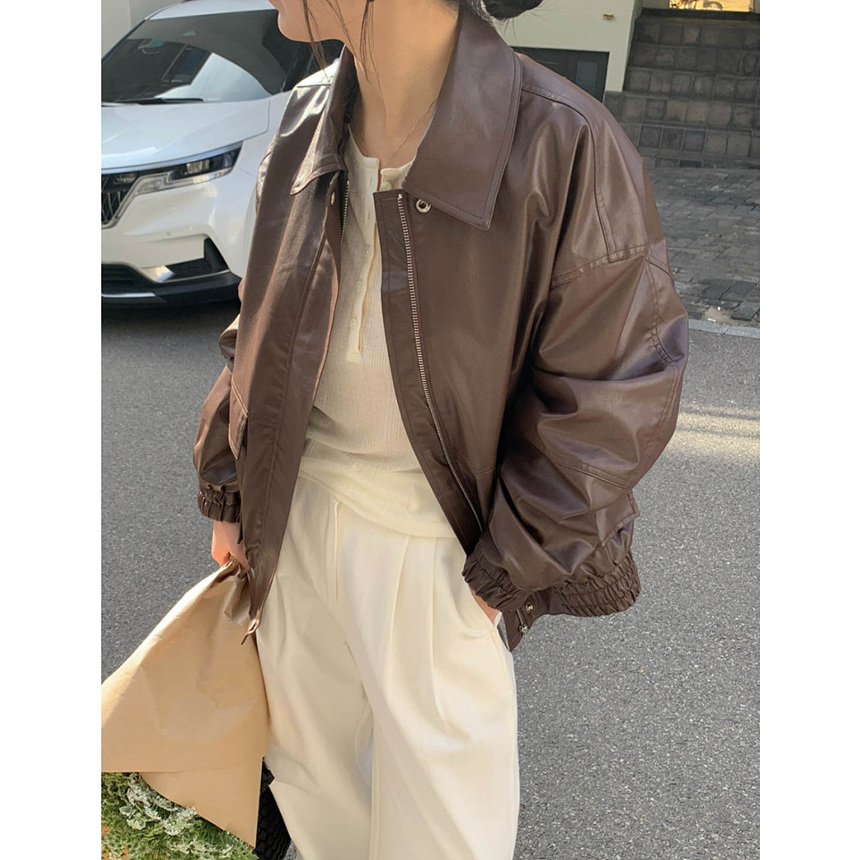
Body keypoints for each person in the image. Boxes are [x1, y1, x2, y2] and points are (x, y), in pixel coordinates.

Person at [192, 0, 690, 858]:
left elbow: (616, 384)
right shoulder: (309, 113)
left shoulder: (561, 138)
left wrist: (502, 569)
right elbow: (261, 318)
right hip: (296, 522)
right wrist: (229, 486)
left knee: (443, 830)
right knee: (316, 800)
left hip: (439, 548)